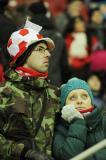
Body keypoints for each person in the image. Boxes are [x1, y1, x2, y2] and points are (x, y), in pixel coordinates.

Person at [0, 20, 59, 160]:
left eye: (47, 50)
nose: (48, 54)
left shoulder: (54, 93)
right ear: (23, 55)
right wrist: (24, 153)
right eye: (40, 49)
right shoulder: (3, 93)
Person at [53, 77, 106, 160]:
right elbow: (66, 156)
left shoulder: (103, 121)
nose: (79, 101)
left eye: (84, 96)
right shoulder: (59, 129)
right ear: (64, 105)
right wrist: (77, 122)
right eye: (72, 98)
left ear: (91, 102)